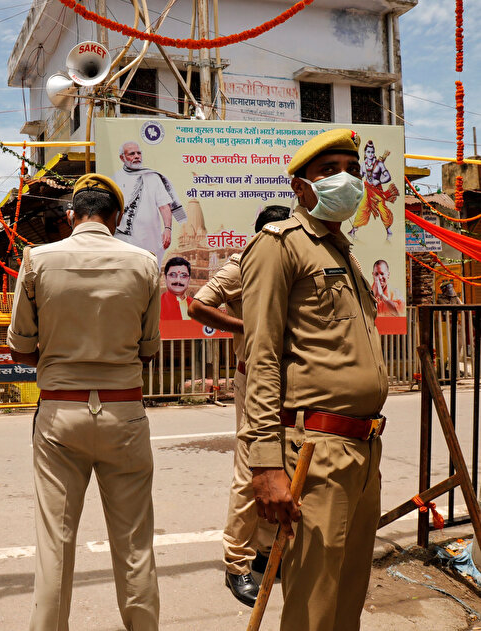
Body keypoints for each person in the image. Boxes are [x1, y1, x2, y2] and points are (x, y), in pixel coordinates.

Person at [240, 129, 388, 631]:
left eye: (351, 167)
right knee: (312, 609)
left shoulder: (343, 252)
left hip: (364, 449)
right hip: (315, 450)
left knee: (347, 602)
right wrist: (264, 464)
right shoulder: (279, 245)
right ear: (301, 187)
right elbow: (260, 356)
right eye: (329, 171)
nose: (345, 179)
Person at [8, 174, 161, 631]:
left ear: (72, 216)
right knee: (134, 544)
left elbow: (20, 349)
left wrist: (57, 355)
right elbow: (148, 349)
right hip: (124, 412)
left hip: (60, 412)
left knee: (55, 543)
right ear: (116, 217)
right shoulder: (145, 263)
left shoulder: (37, 260)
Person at [188, 205, 290, 608]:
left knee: (280, 464)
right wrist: (249, 328)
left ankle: (267, 552)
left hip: (289, 378)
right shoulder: (242, 263)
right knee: (252, 467)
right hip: (256, 376)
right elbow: (197, 306)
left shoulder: (290, 262)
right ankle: (237, 563)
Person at [112, 140, 185, 263]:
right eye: (131, 154)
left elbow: (164, 206)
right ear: (122, 157)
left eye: (138, 153)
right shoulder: (115, 179)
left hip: (149, 240)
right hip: (123, 240)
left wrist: (168, 229)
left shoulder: (152, 177)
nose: (136, 156)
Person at [349, 140, 398, 240]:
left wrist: (379, 180)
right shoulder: (363, 165)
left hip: (377, 190)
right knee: (362, 207)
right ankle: (353, 229)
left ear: (374, 153)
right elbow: (360, 177)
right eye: (368, 152)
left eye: (372, 152)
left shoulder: (379, 164)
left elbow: (388, 177)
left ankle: (388, 230)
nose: (370, 154)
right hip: (367, 189)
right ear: (365, 153)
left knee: (382, 208)